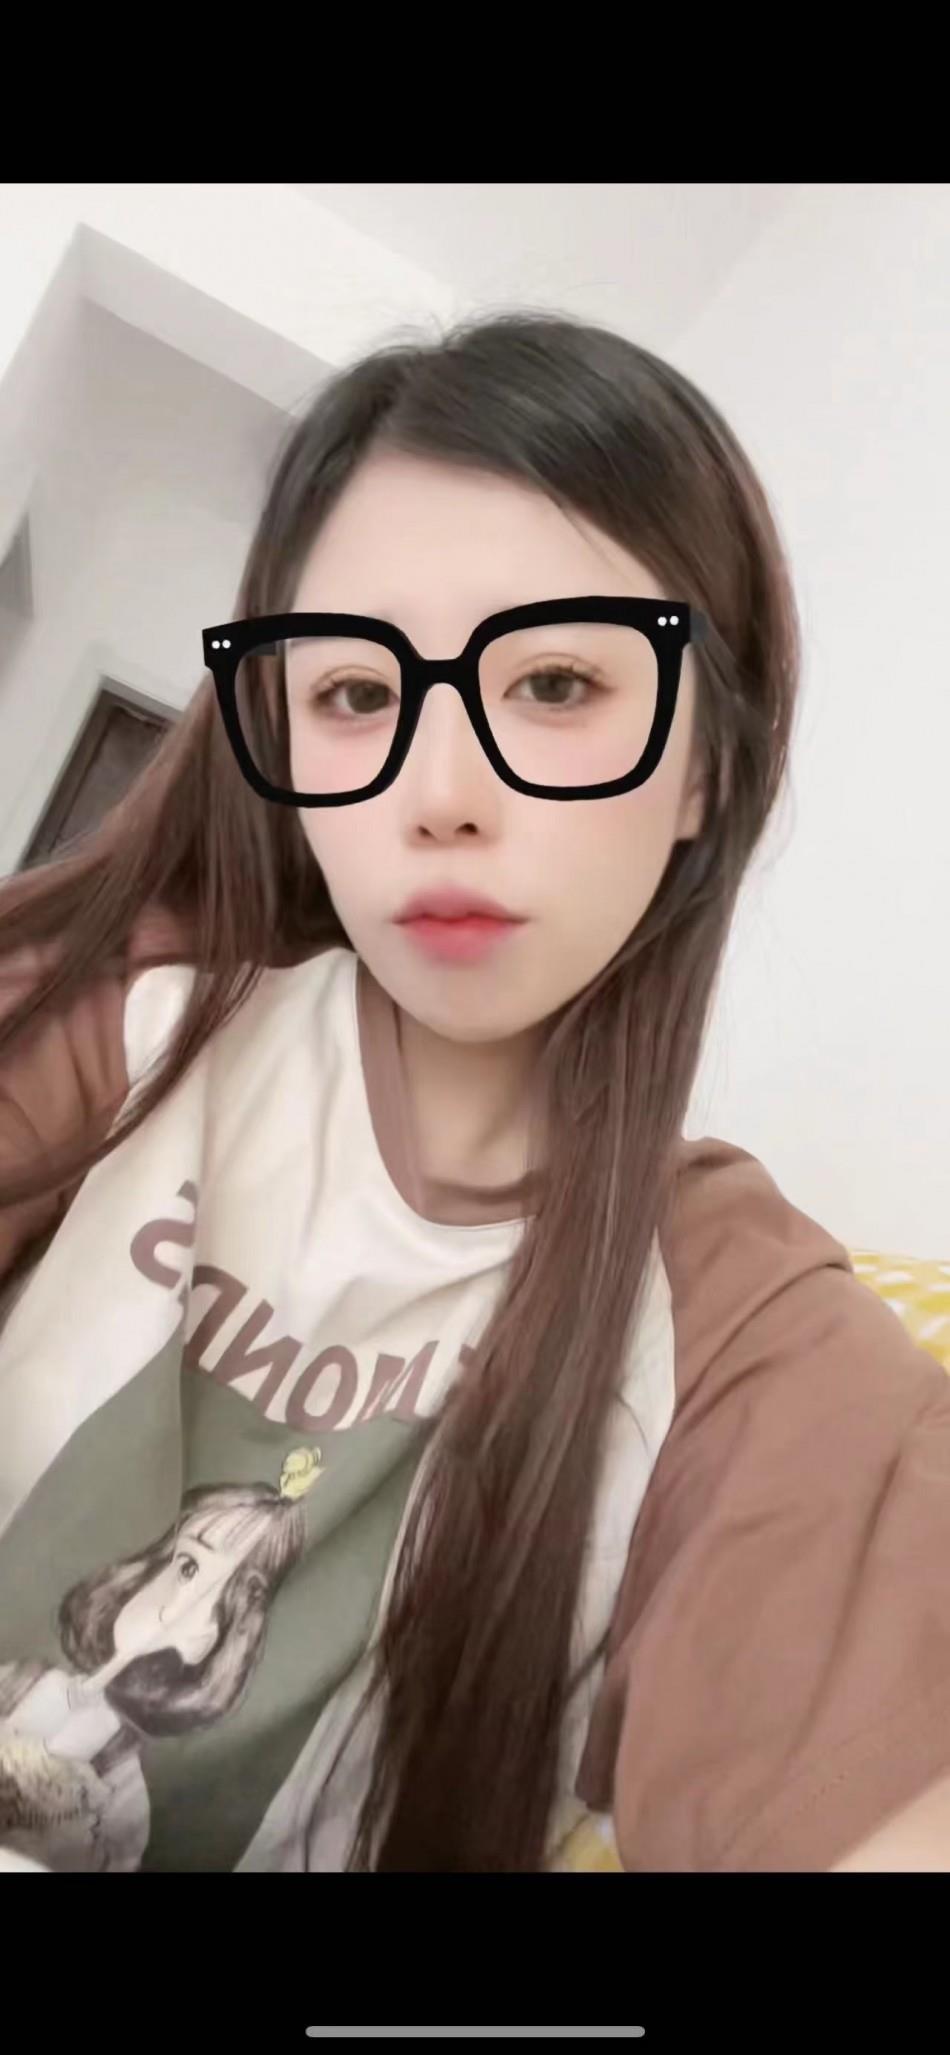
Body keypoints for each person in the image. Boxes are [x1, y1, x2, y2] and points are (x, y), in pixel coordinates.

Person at [0, 310, 948, 1875]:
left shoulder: (744, 1338)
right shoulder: (117, 1030)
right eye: (354, 695)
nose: (437, 795)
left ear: (705, 766)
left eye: (554, 682)